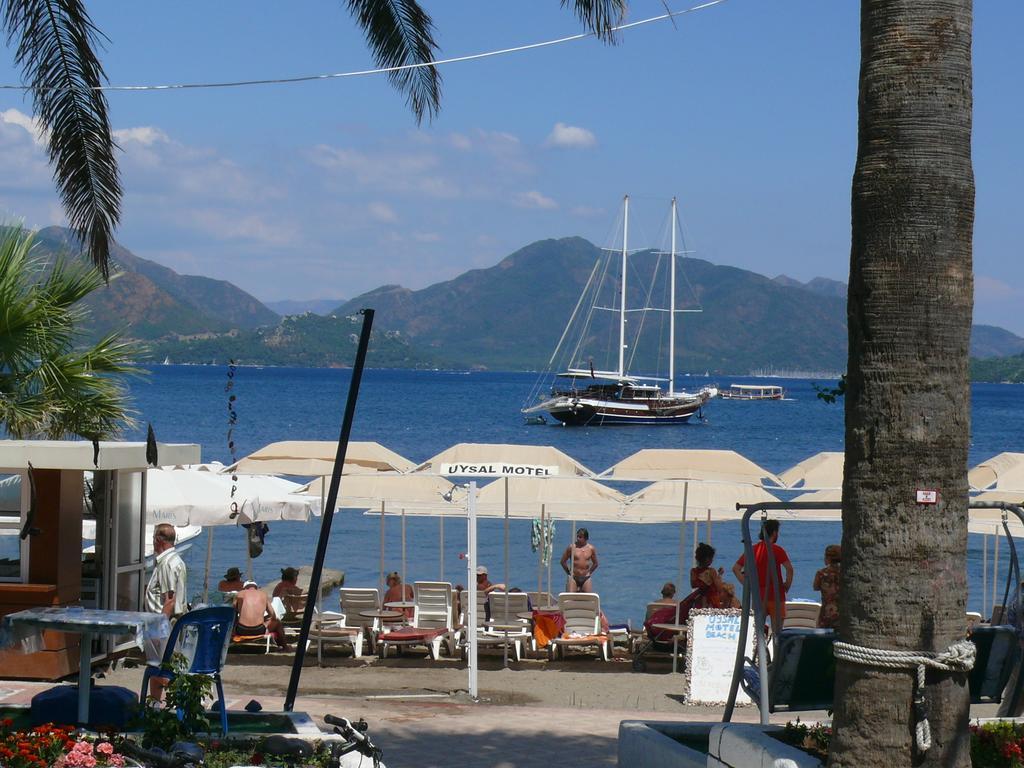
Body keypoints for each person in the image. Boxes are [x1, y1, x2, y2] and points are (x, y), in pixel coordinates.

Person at [143, 523, 188, 700]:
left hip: (164, 624)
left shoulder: (167, 564)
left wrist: (158, 628)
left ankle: (178, 702)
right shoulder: (176, 560)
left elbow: (169, 600)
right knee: (157, 668)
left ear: (158, 540)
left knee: (161, 670)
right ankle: (155, 705)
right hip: (170, 623)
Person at [732, 519, 793, 628]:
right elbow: (789, 569)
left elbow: (736, 568)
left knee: (758, 633)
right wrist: (787, 585)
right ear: (774, 533)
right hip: (776, 595)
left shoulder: (753, 550)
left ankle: (760, 645)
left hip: (758, 595)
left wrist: (747, 585)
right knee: (777, 634)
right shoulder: (777, 550)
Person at [234, 580, 289, 650]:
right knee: (277, 622)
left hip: (241, 630)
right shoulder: (263, 594)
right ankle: (285, 647)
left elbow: (233, 610)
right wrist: (265, 618)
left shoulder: (240, 594)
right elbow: (273, 615)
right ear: (256, 588)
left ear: (244, 588)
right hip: (258, 630)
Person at [692, 543, 730, 609]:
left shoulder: (693, 571)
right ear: (707, 559)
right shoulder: (711, 571)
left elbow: (693, 585)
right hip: (711, 601)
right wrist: (720, 575)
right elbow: (719, 587)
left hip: (699, 600)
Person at [560, 528, 598, 593]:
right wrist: (568, 573)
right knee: (569, 598)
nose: (578, 538)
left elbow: (595, 563)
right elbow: (563, 561)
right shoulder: (572, 547)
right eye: (577, 536)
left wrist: (589, 572)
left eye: (580, 537)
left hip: (586, 578)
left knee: (588, 599)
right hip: (573, 577)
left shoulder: (591, 549)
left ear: (585, 538)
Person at [813, 544, 841, 629]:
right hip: (842, 614)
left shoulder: (821, 574)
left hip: (826, 613)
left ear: (828, 558)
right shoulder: (845, 573)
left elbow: (815, 587)